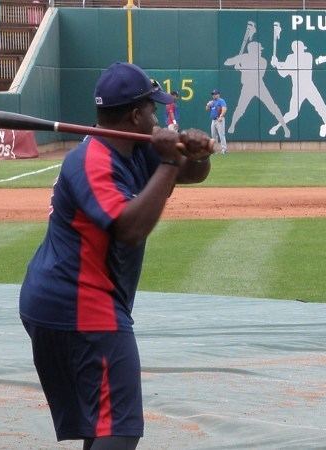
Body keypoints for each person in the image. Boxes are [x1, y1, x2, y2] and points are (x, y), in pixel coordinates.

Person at [19, 62, 213, 450]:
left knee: (104, 424)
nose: (157, 117)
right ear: (135, 115)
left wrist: (196, 153)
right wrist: (172, 160)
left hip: (73, 301)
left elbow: (190, 174)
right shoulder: (92, 161)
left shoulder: (135, 149)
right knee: (121, 428)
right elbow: (129, 228)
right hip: (78, 304)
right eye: (152, 110)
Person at [224, 41, 290, 138]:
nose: (260, 51)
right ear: (253, 50)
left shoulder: (263, 60)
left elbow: (258, 75)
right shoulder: (244, 57)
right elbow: (226, 62)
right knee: (240, 108)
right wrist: (237, 61)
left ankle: (285, 128)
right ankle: (232, 125)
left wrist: (241, 68)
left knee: (273, 107)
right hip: (247, 87)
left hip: (259, 85)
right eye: (258, 50)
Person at [270, 40, 326, 138]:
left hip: (309, 87)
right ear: (294, 49)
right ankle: (277, 127)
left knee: (323, 109)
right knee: (292, 113)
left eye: (301, 48)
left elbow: (291, 66)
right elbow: (283, 74)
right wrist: (277, 65)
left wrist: (278, 64)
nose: (301, 49)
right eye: (299, 48)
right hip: (298, 89)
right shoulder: (290, 58)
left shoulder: (307, 55)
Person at [206, 88, 228, 154]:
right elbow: (207, 109)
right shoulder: (212, 102)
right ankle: (213, 150)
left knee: (221, 135)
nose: (214, 95)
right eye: (213, 94)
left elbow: (224, 109)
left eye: (215, 94)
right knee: (213, 136)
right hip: (213, 120)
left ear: (218, 95)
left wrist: (221, 116)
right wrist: (208, 105)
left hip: (219, 119)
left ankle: (224, 149)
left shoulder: (221, 101)